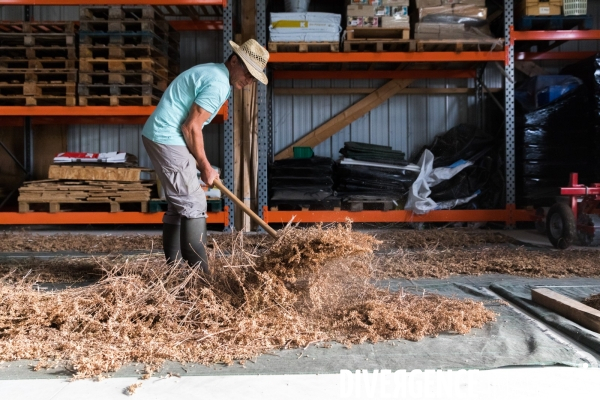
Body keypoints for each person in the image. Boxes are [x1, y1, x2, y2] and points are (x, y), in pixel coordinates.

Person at [142, 38, 269, 272]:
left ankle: (174, 271)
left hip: (164, 134)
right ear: (234, 61)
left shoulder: (214, 74)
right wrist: (205, 165)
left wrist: (201, 165)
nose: (250, 81)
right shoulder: (219, 84)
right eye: (249, 73)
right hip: (167, 136)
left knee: (180, 204)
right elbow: (191, 127)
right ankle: (200, 278)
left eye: (254, 77)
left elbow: (189, 127)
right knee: (194, 202)